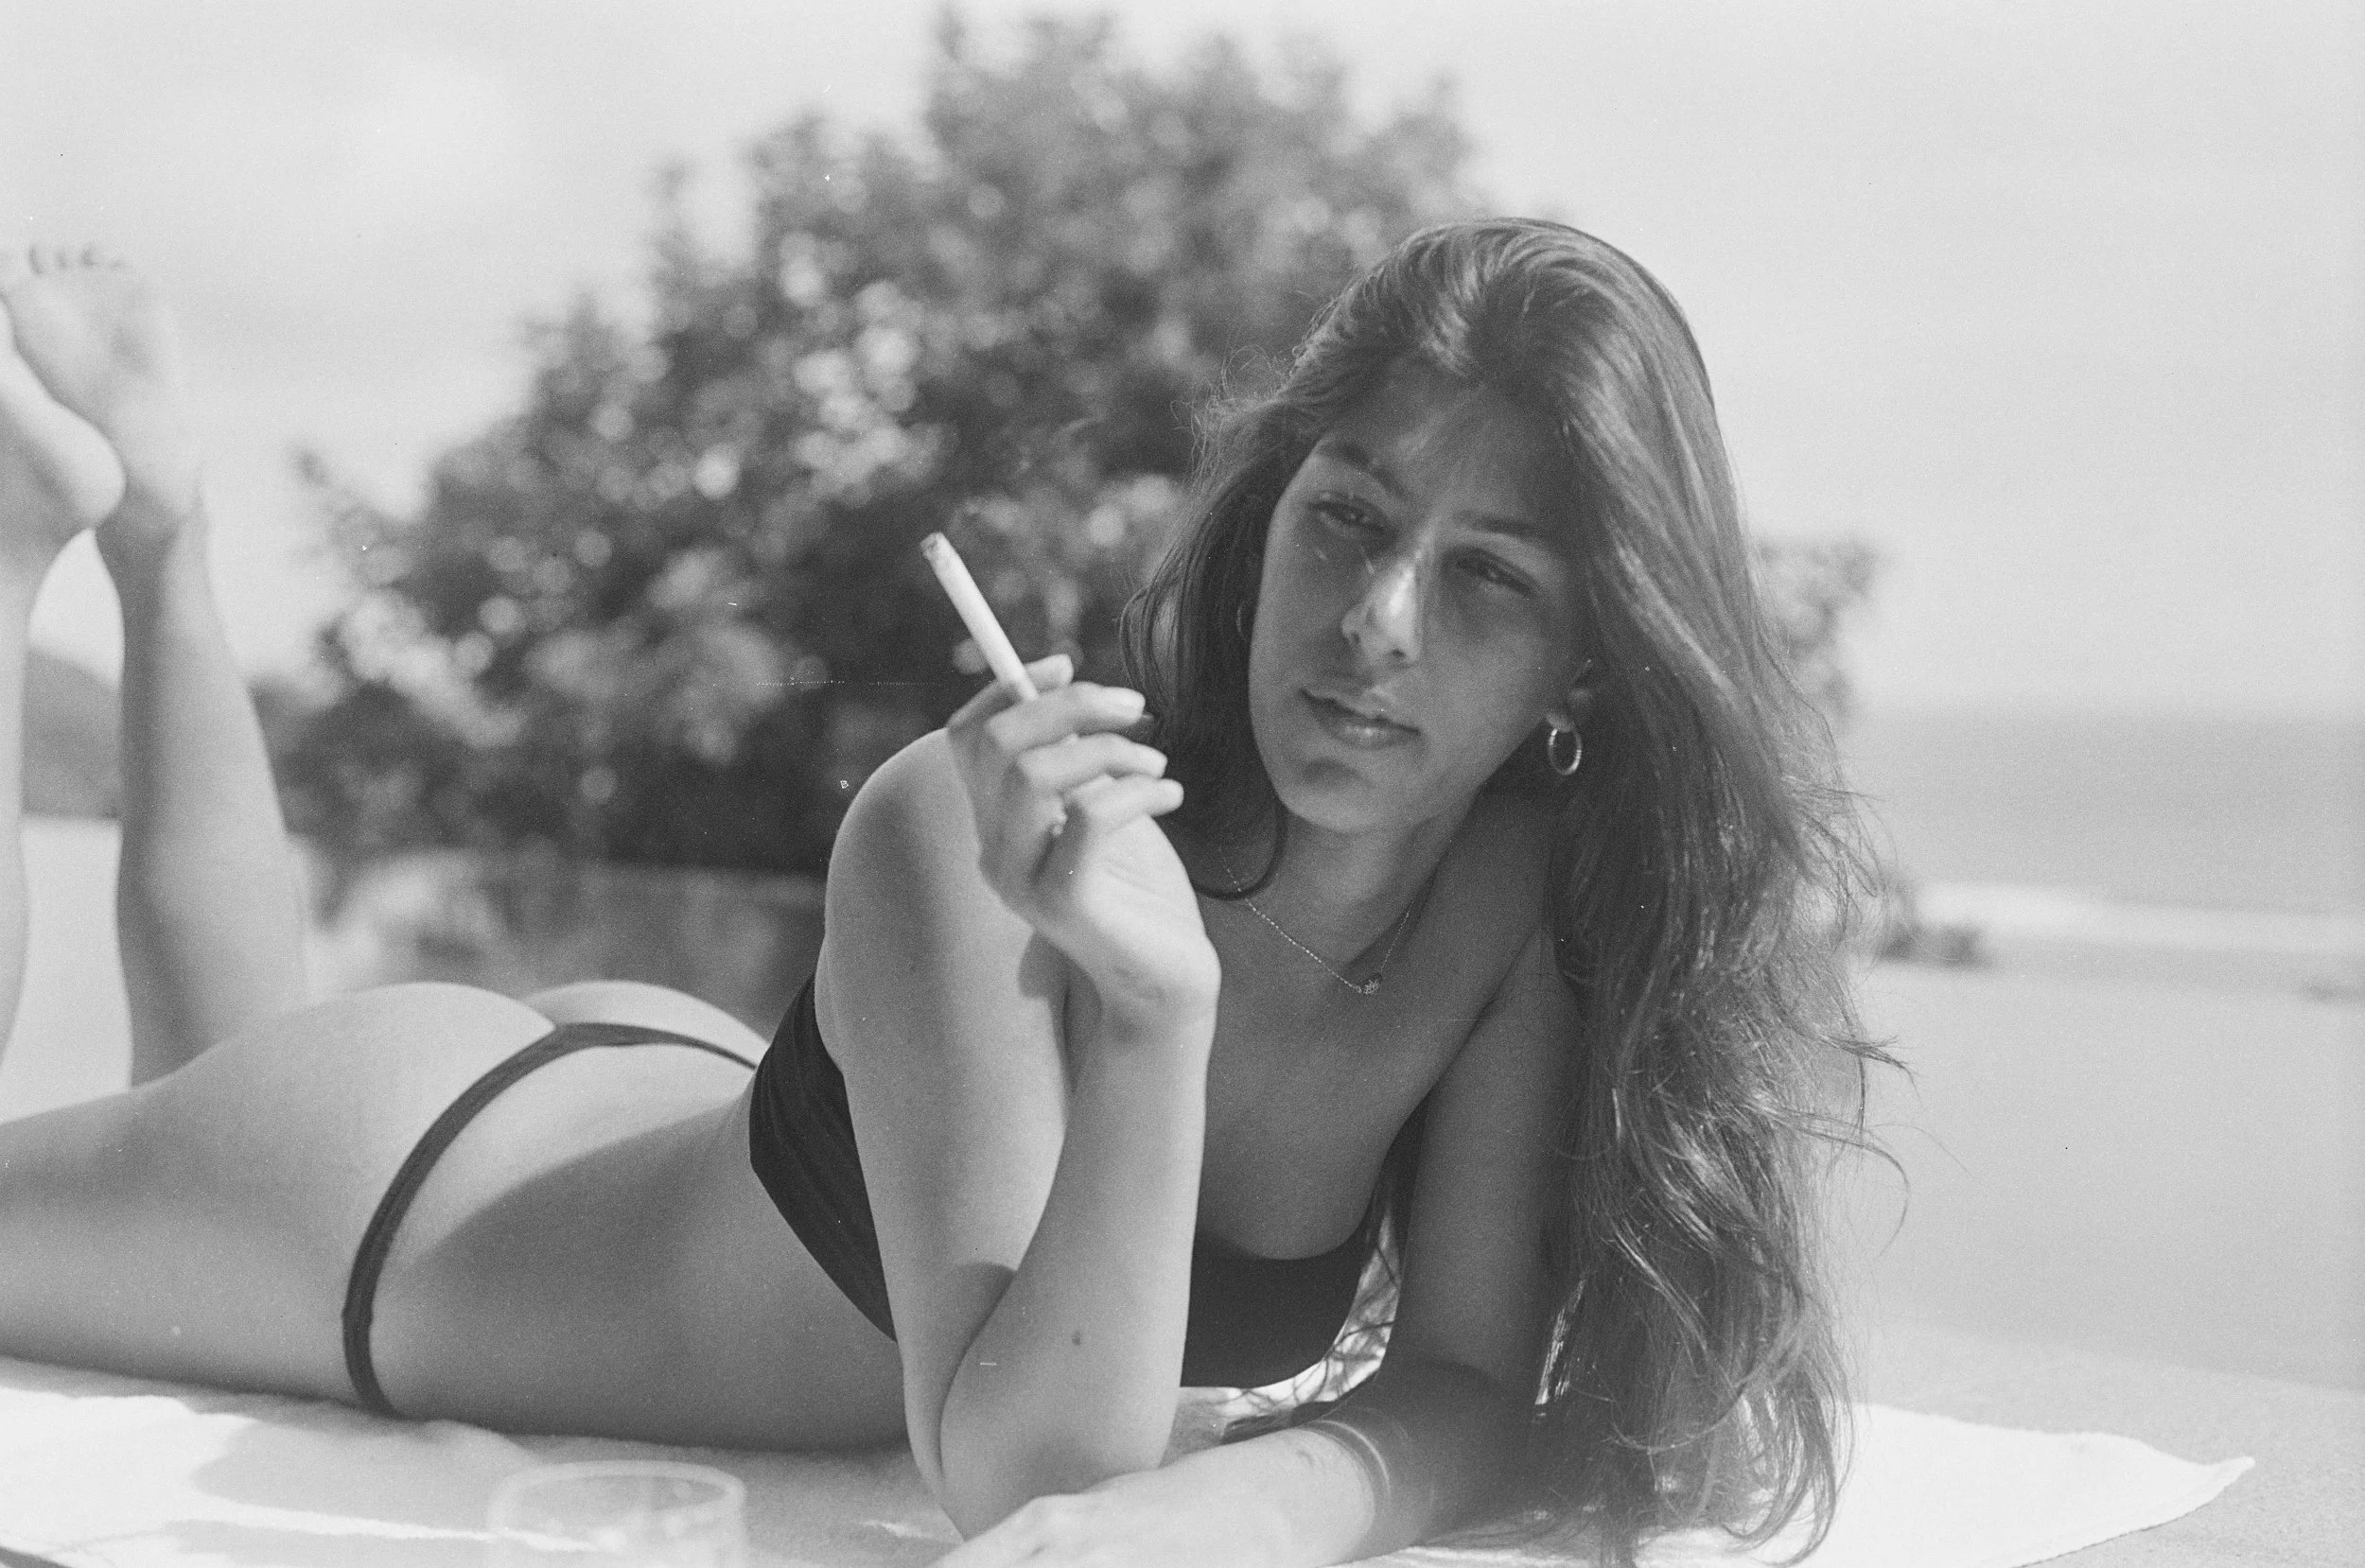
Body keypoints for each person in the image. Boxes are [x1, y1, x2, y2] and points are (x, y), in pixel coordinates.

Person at [0, 220, 1881, 1567]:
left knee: (208, 1053)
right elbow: (1026, 1478)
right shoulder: (976, 829)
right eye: (1351, 519)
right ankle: (38, 554)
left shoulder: (1506, 911)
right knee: (198, 1086)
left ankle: (159, 535)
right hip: (395, 1203)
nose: (1378, 625)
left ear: (1580, 661)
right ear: (1273, 513)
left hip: (675, 1114)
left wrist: (1270, 1489)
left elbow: (1467, 1374)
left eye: (1487, 577)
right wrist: (1151, 1020)